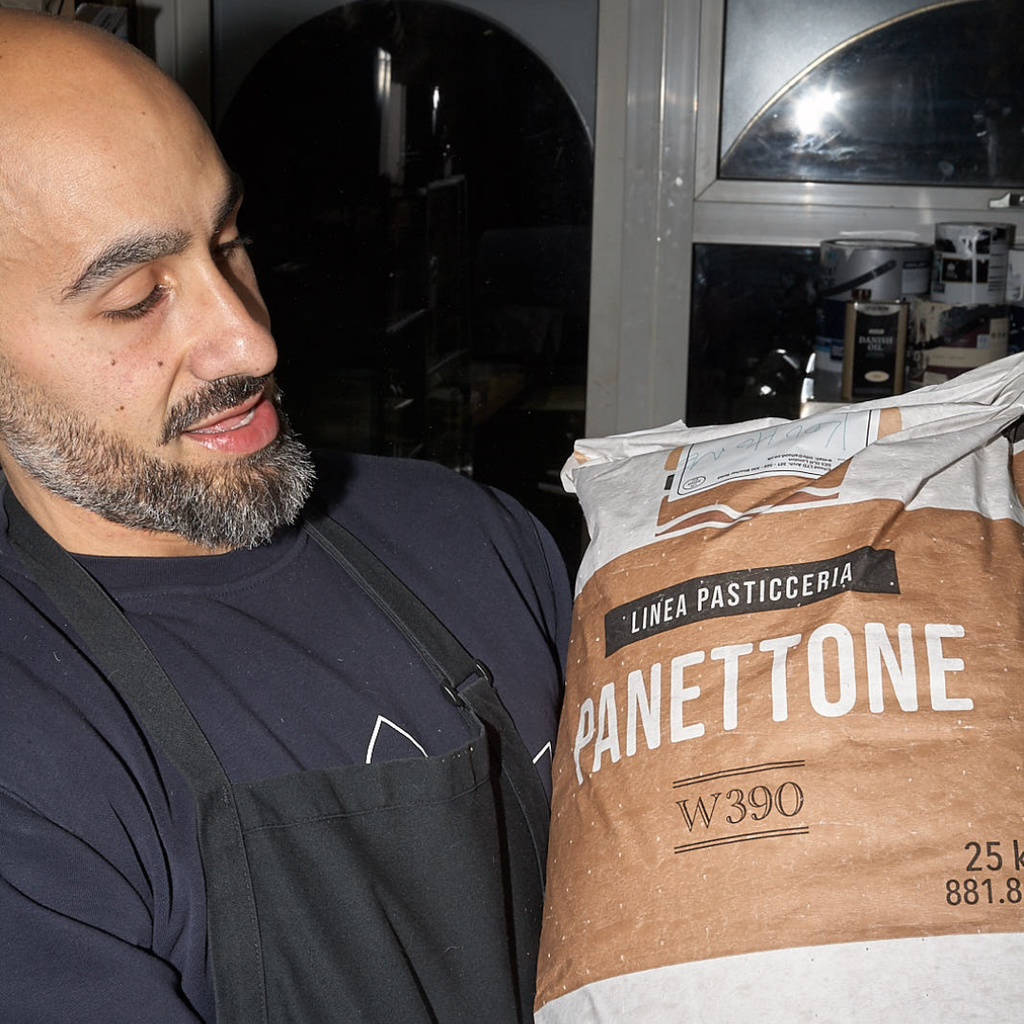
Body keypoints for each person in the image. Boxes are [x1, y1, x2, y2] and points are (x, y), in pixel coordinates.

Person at [0, 11, 570, 1023]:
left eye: (230, 241)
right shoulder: (32, 747)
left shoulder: (477, 538)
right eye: (138, 297)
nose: (250, 340)